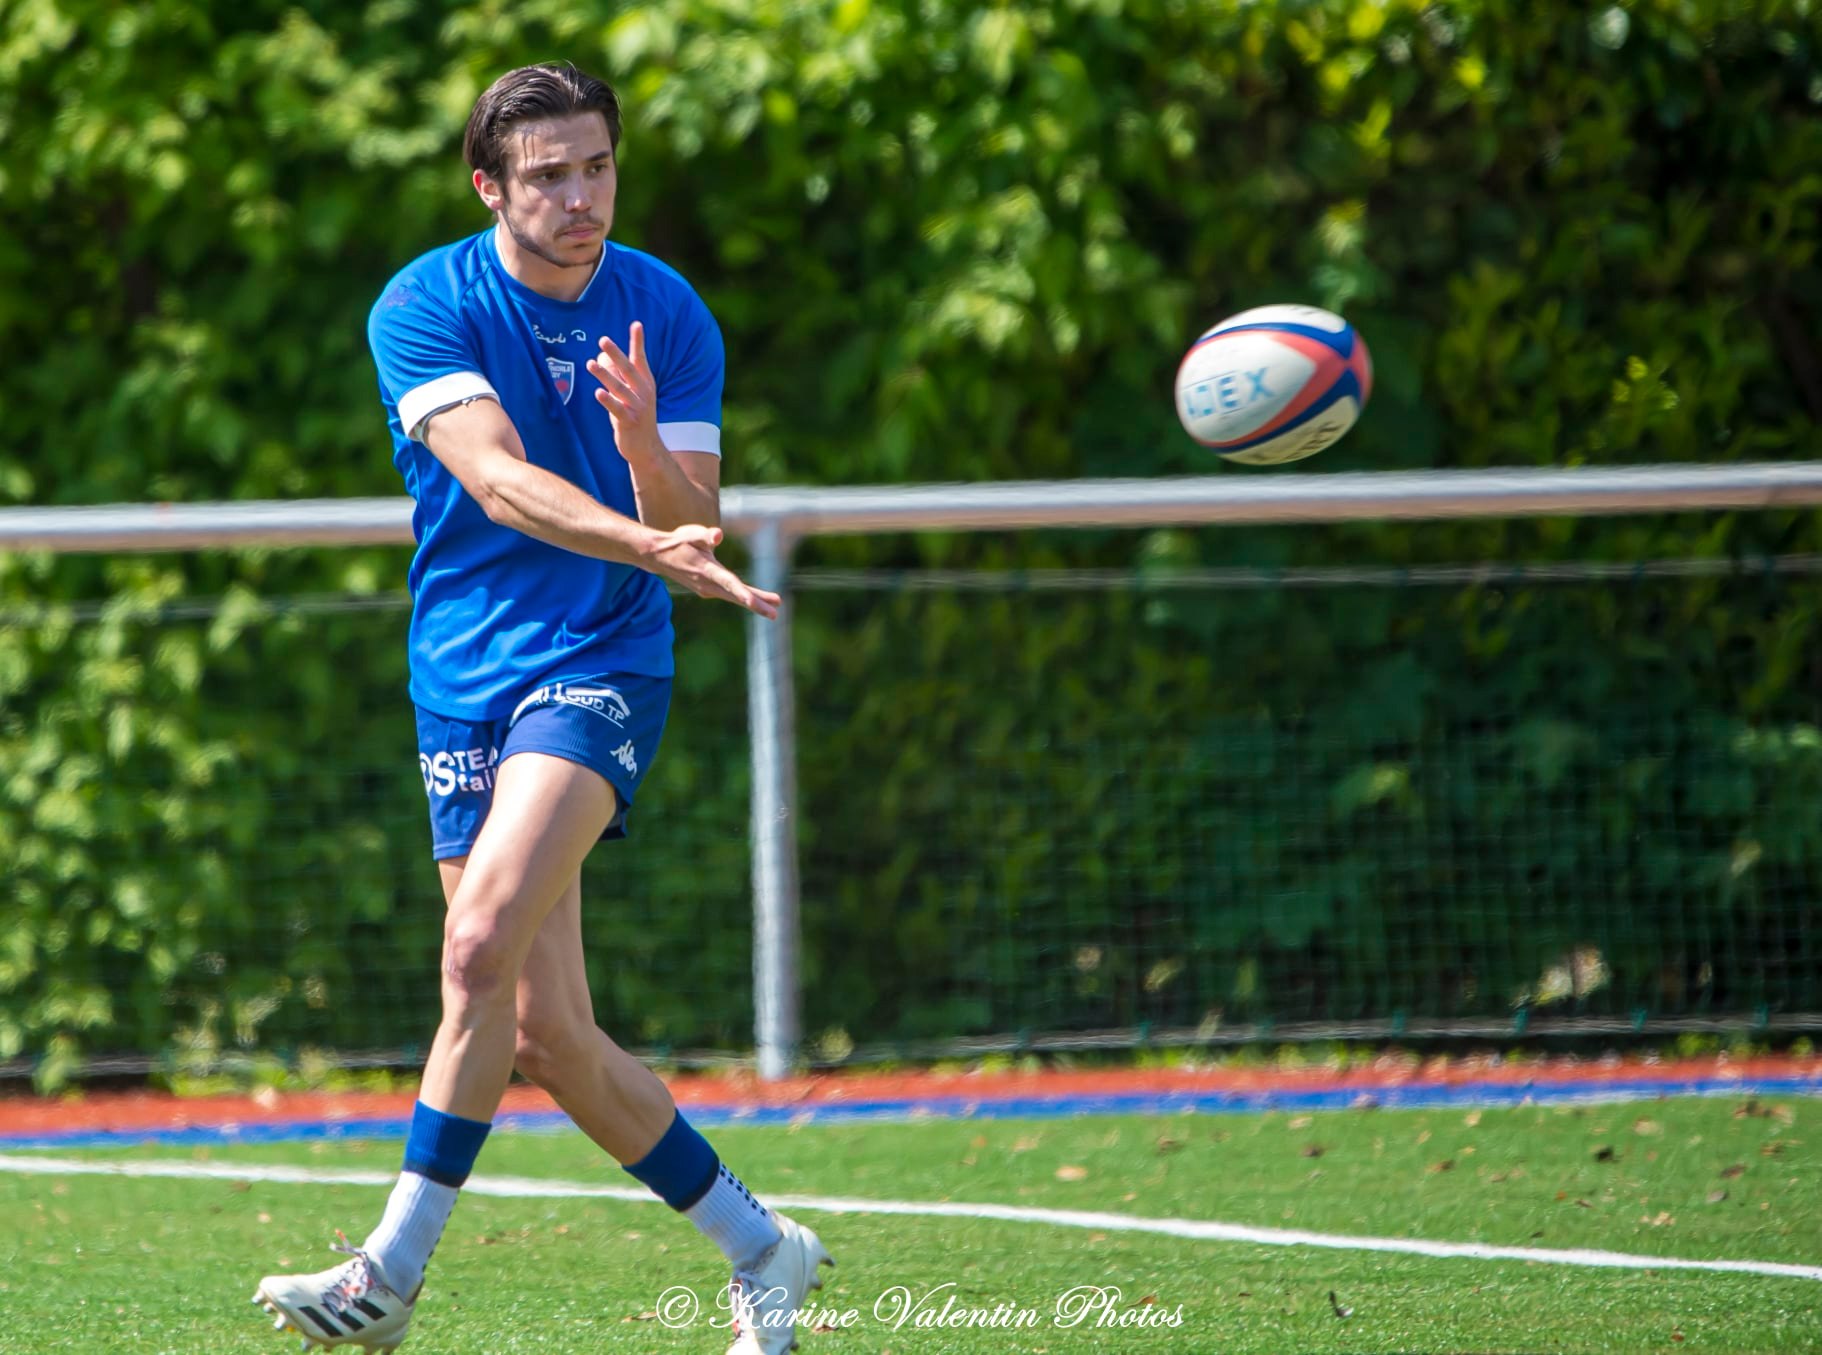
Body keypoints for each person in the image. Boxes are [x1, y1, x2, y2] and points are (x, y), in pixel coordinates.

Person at [251, 62, 832, 1355]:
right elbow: (500, 482)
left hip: (602, 653)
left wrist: (640, 455)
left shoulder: (663, 309)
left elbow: (691, 519)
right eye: (549, 175)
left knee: (474, 947)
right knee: (543, 1030)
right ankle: (764, 1249)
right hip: (463, 665)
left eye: (597, 168)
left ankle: (384, 1281)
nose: (581, 198)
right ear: (489, 187)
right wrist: (646, 530)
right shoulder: (424, 304)